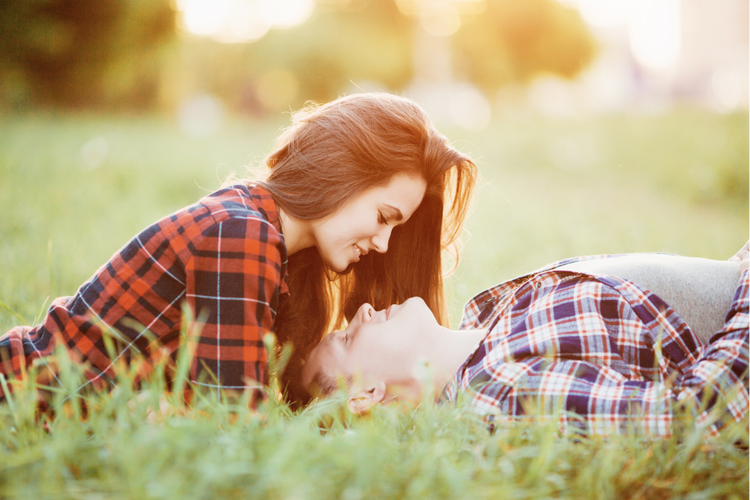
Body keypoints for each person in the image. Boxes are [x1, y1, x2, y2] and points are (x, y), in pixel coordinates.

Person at [0, 92, 476, 404]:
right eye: (383, 217)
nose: (383, 243)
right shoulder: (242, 235)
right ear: (343, 174)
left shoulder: (271, 246)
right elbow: (229, 420)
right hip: (19, 392)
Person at [299, 243, 750, 436]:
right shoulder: (499, 391)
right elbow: (701, 420)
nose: (358, 314)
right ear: (365, 396)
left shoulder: (493, 323)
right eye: (344, 338)